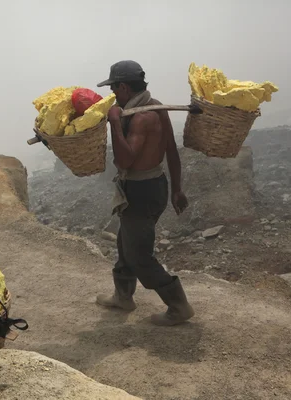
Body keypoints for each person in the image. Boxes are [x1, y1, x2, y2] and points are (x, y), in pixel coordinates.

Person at [95, 60, 194, 326]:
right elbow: (171, 150)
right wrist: (177, 189)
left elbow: (125, 161)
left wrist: (115, 124)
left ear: (124, 87)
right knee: (125, 241)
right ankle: (123, 296)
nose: (113, 94)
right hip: (155, 185)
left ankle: (178, 305)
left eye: (114, 88)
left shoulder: (140, 117)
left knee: (139, 256)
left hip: (141, 191)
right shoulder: (156, 106)